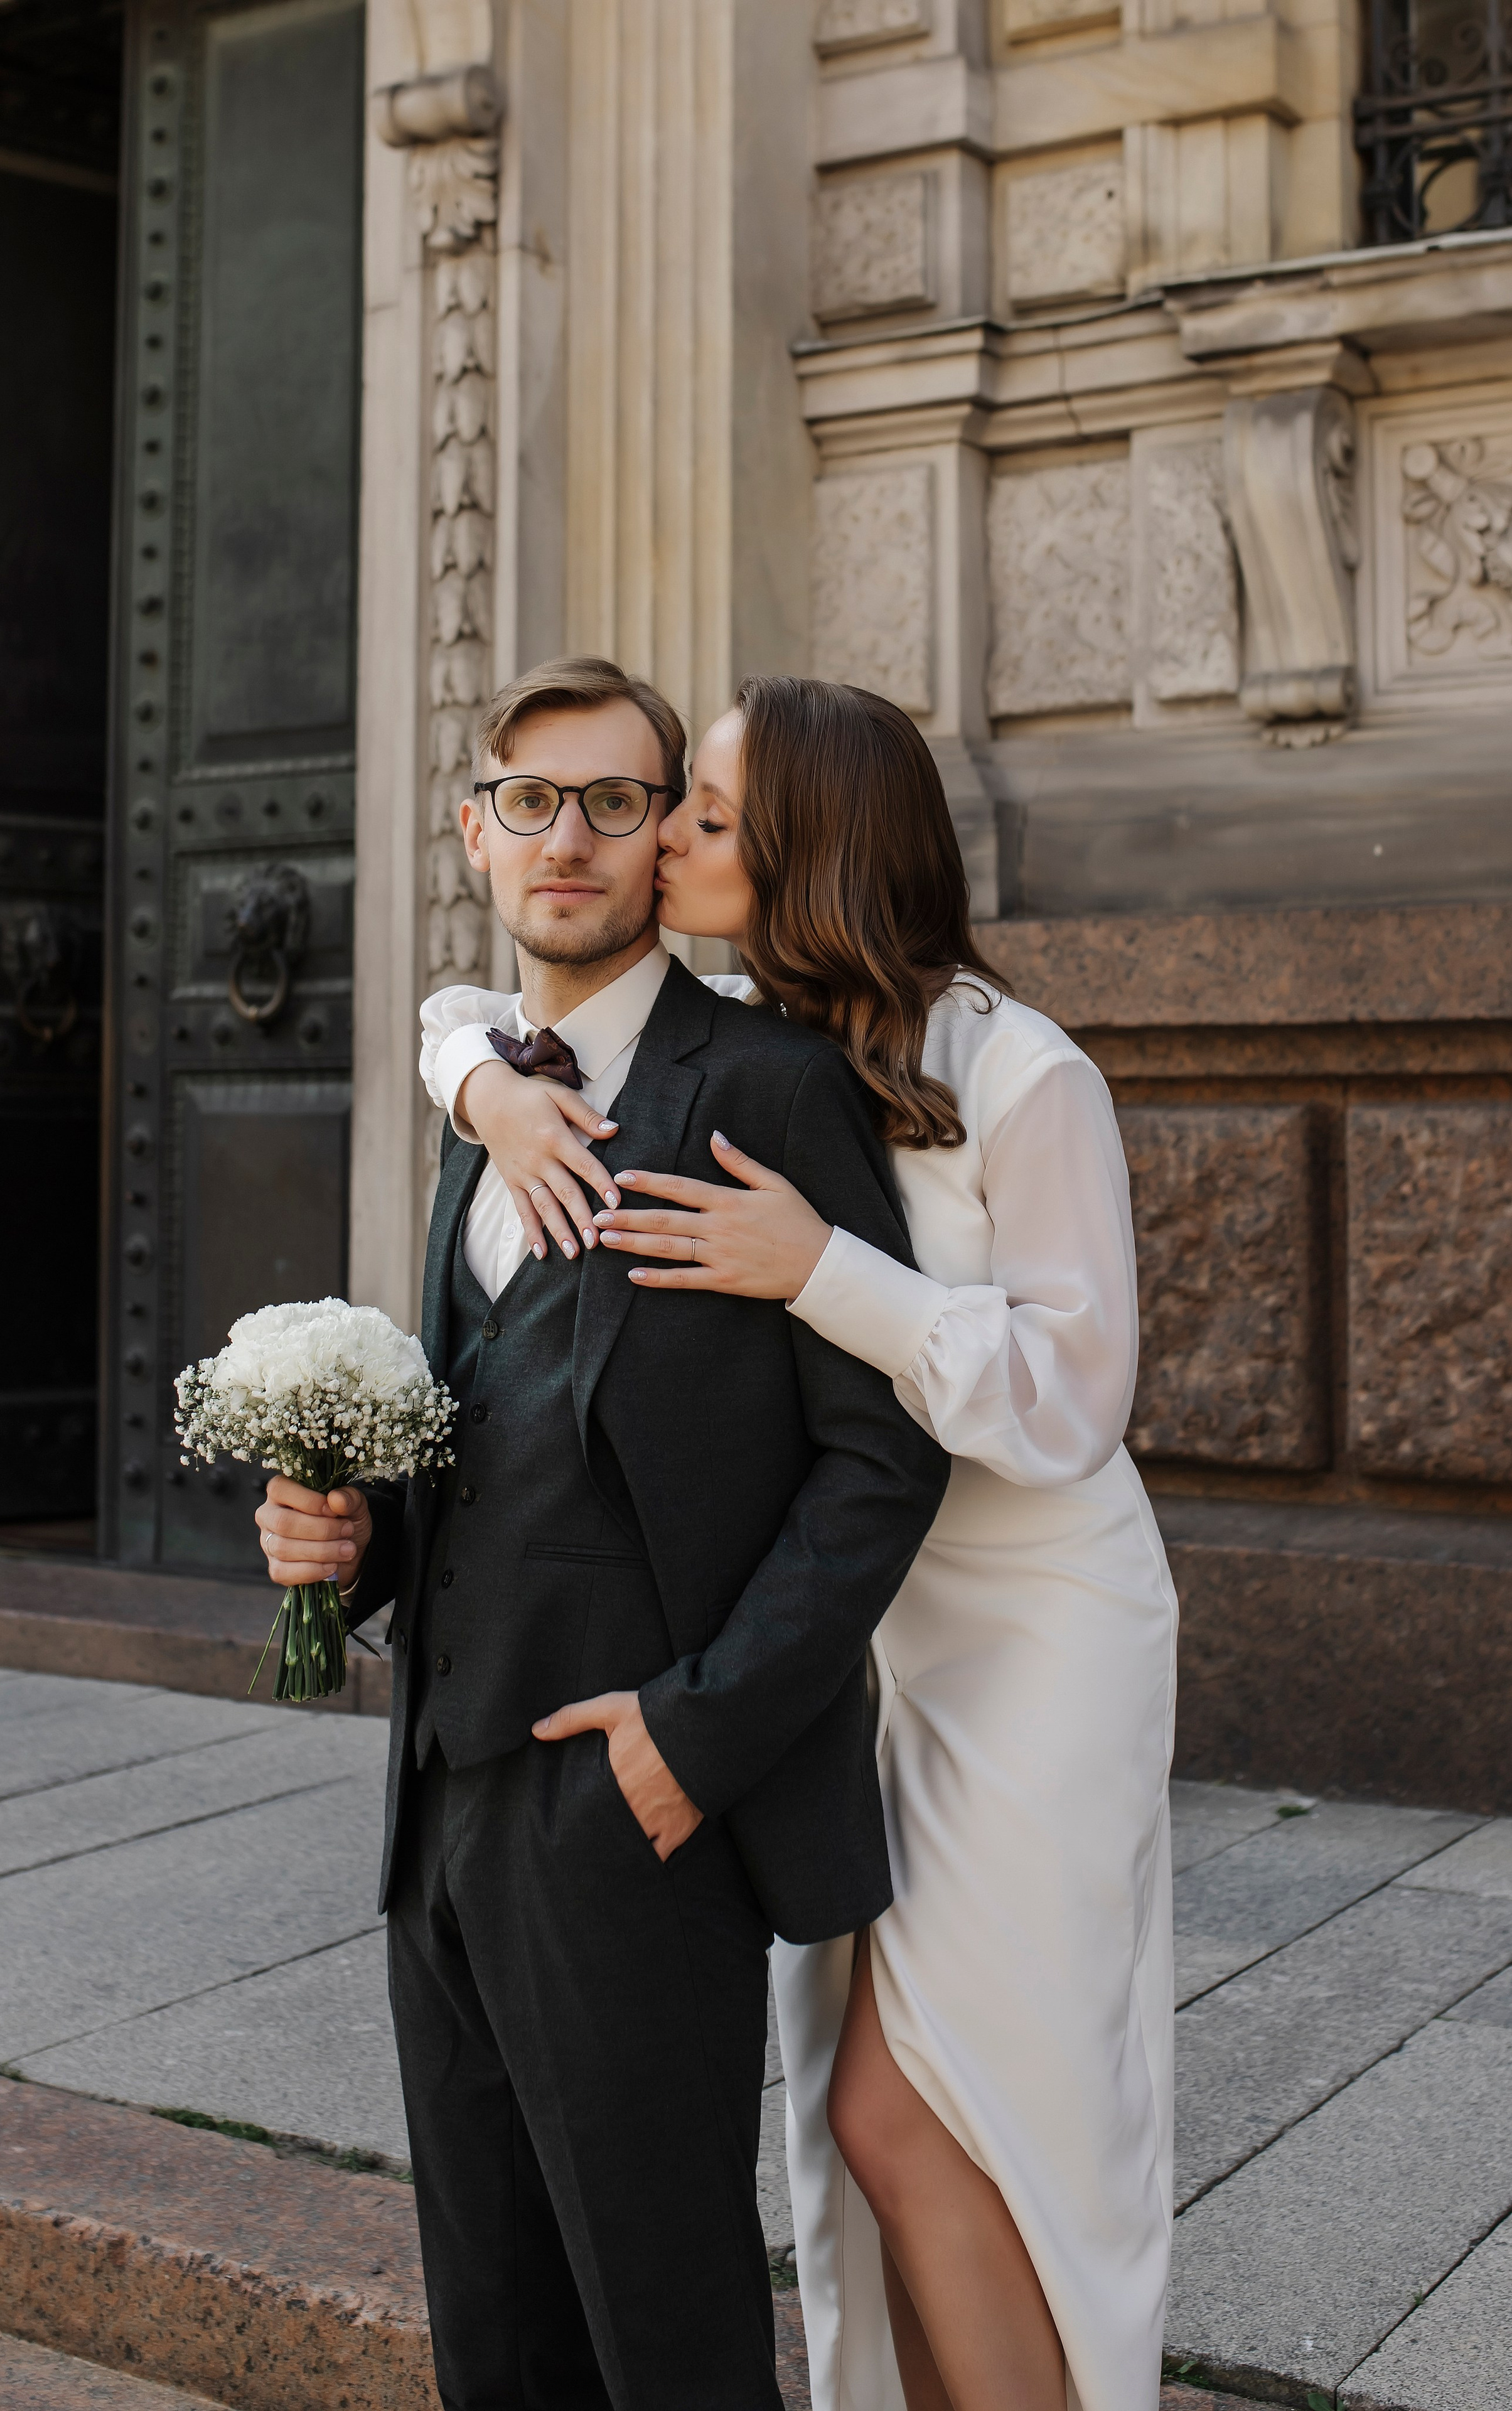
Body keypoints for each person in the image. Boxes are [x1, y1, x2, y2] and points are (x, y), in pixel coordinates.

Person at [422, 675, 1178, 2411]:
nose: (658, 836)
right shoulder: (776, 1033)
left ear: (807, 843)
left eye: (696, 812)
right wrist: (480, 1089)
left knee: (963, 2105)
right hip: (861, 1633)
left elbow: (1076, 1394)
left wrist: (821, 1269)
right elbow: (472, 1003)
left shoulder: (1022, 1067)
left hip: (1037, 1629)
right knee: (870, 2131)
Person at [254, 657, 949, 2411]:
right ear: (478, 838)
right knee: (499, 2332)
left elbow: (882, 1456)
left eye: (618, 801)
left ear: (666, 846)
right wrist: (361, 1544)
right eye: (531, 801)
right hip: (439, 1806)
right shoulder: (485, 1090)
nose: (569, 837)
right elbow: (498, 1422)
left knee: (670, 2336)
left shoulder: (768, 1086)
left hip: (631, 1808)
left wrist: (691, 1735)